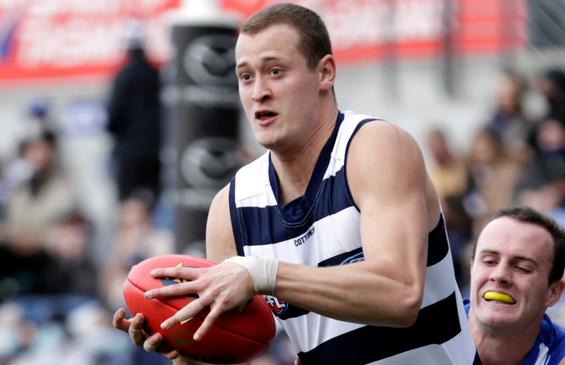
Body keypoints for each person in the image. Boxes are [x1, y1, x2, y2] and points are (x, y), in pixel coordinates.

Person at [113, 3, 475, 365]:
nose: (259, 92)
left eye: (275, 71)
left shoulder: (373, 147)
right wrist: (189, 350)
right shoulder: (231, 208)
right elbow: (233, 350)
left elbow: (400, 295)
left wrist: (263, 274)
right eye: (245, 76)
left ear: (325, 73)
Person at [467, 206, 565, 364]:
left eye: (522, 268)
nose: (499, 275)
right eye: (489, 261)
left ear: (553, 292)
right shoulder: (430, 324)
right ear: (471, 269)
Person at [106, 19, 162, 203]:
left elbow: (112, 118)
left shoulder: (123, 77)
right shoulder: (156, 75)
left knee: (127, 206)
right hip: (155, 152)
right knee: (152, 205)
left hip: (129, 155)